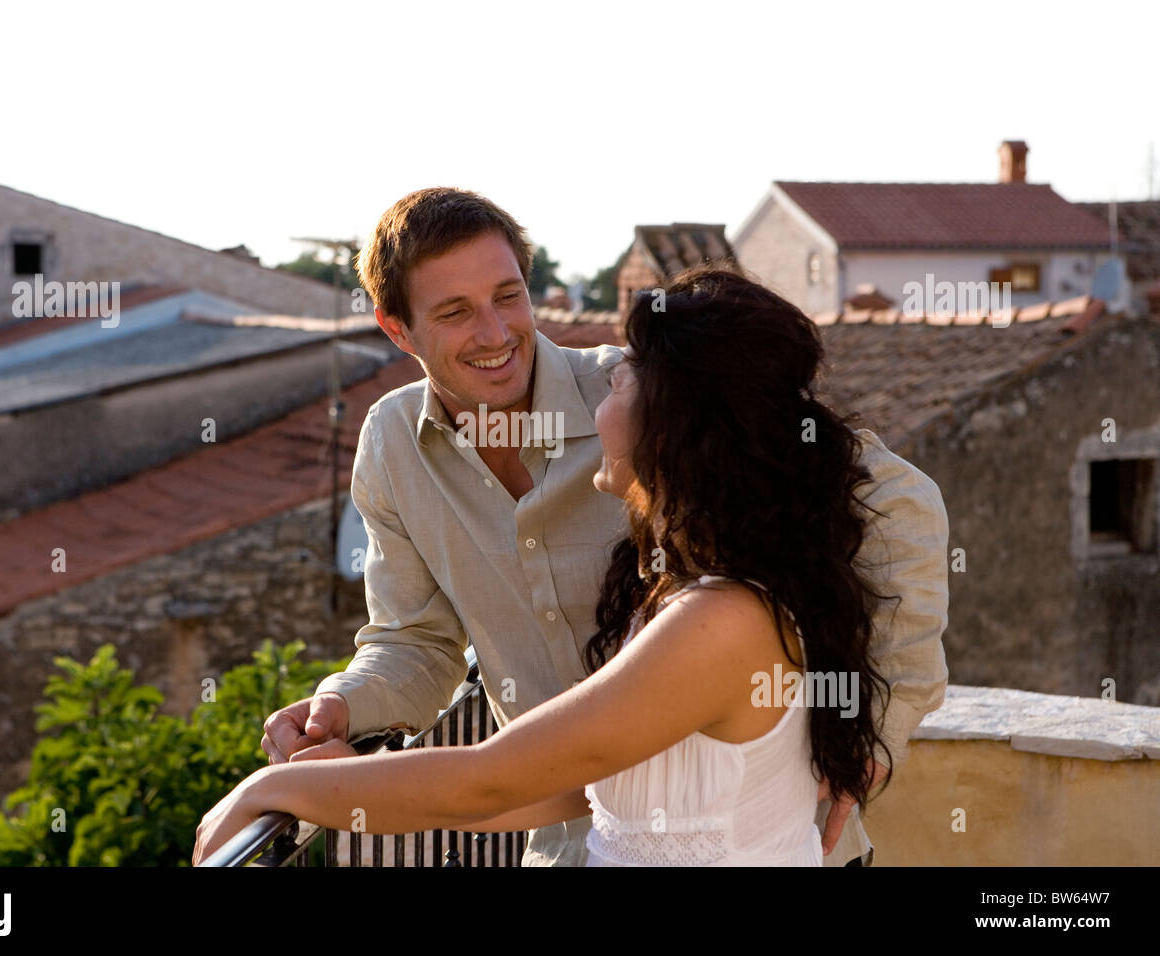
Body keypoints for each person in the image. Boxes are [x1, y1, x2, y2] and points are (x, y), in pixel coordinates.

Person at [194, 188, 949, 866]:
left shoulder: (647, 392)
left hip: (785, 832)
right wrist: (345, 709)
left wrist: (874, 723)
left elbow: (902, 505)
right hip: (569, 829)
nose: (495, 331)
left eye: (508, 296)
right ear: (398, 328)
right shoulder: (394, 445)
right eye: (455, 312)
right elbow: (416, 643)